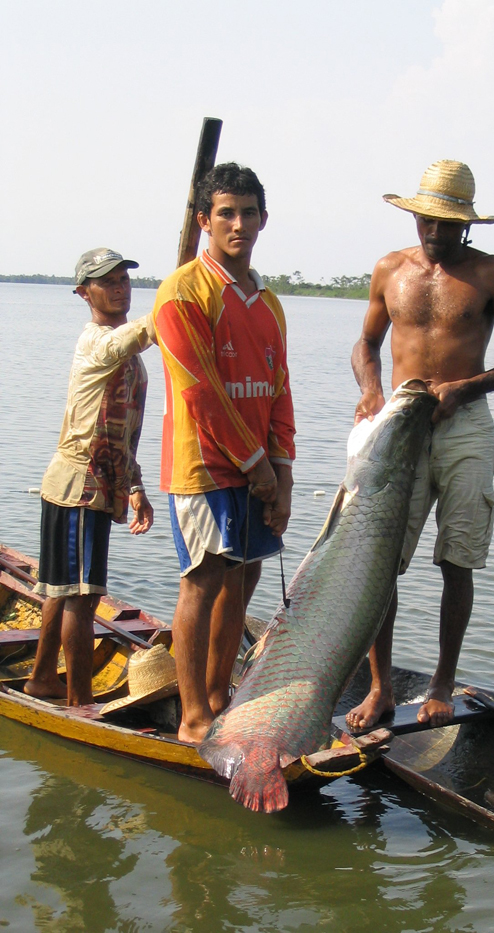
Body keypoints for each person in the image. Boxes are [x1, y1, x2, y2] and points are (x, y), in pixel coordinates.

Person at [346, 159, 494, 730]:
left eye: (448, 224)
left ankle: (439, 682)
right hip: (402, 424)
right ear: (415, 216)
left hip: (465, 427)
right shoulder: (390, 269)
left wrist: (467, 387)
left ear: (467, 225)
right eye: (427, 220)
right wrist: (371, 390)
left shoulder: (490, 275)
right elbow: (365, 344)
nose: (435, 232)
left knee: (457, 559)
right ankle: (381, 687)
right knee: (381, 560)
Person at [152, 162, 295, 744]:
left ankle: (218, 694)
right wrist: (254, 465)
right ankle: (193, 718)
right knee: (204, 579)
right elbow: (200, 391)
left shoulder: (268, 301)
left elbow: (280, 390)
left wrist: (281, 474)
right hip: (203, 468)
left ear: (264, 220)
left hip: (259, 471)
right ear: (204, 221)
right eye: (226, 213)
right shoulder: (183, 291)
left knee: (245, 575)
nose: (238, 224)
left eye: (249, 213)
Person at [25, 249, 155, 706]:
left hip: (91, 486)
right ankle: (81, 702)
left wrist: (135, 487)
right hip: (79, 486)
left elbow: (122, 430)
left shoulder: (124, 348)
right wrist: (171, 306)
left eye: (123, 279)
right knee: (81, 597)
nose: (119, 286)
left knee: (61, 592)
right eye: (107, 281)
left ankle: (43, 678)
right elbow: (128, 341)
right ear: (84, 292)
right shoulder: (95, 341)